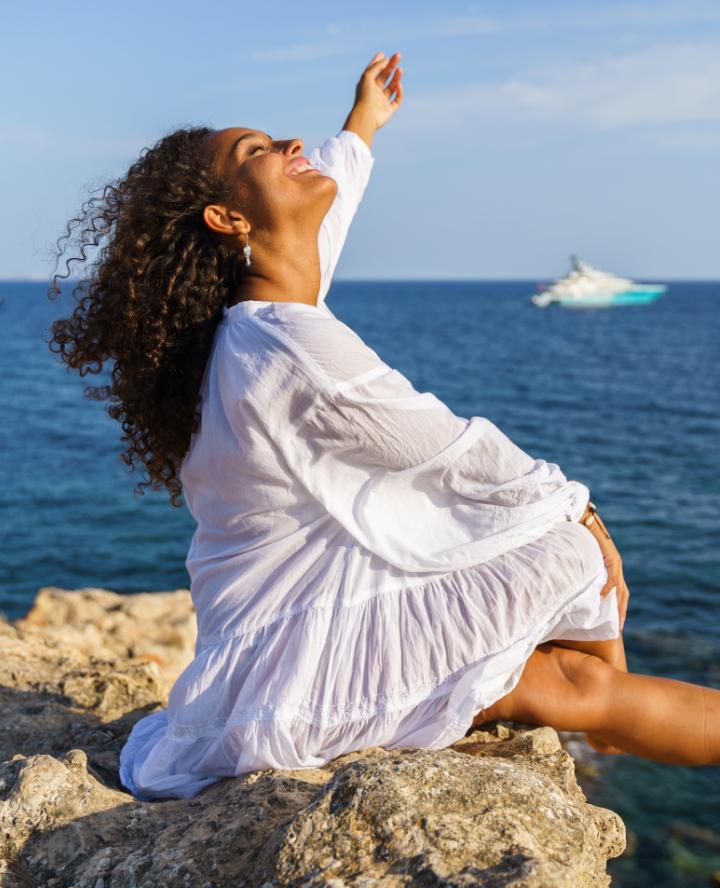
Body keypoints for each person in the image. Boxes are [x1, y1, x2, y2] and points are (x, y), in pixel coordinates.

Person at [47, 52, 719, 801]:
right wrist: (587, 515)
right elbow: (457, 453)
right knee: (567, 552)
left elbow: (322, 222)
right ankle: (601, 718)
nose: (291, 146)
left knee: (574, 669)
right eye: (260, 152)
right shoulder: (289, 346)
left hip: (266, 635)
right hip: (286, 662)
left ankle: (600, 715)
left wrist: (363, 121)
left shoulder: (267, 303)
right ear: (229, 218)